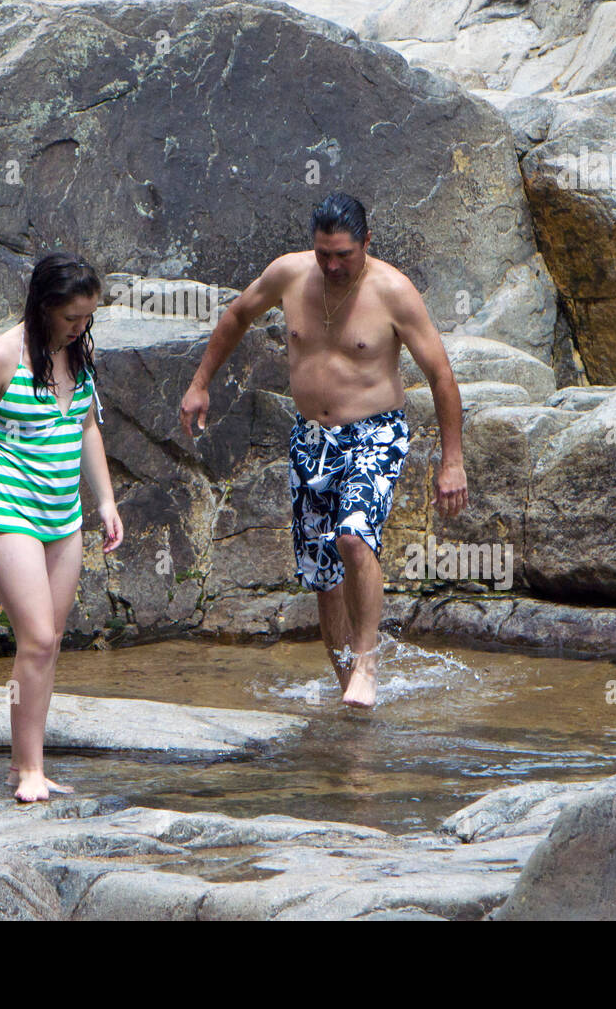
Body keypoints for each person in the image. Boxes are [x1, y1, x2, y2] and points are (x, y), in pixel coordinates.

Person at [179, 192, 469, 706]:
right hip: (311, 436)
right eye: (324, 254)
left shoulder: (393, 291)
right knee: (322, 572)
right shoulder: (289, 275)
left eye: (344, 255)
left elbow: (441, 376)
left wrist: (453, 462)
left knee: (354, 537)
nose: (333, 265)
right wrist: (200, 382)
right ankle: (347, 691)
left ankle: (367, 666)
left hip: (375, 431)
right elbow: (237, 315)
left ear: (366, 244)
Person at [0, 253, 124, 803]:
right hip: (4, 512)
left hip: (62, 518)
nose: (81, 327)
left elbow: (87, 428)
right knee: (37, 637)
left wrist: (106, 501)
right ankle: (31, 770)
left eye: (88, 318)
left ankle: (25, 765)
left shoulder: (78, 357)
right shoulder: (0, 357)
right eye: (72, 318)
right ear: (44, 308)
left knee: (48, 644)